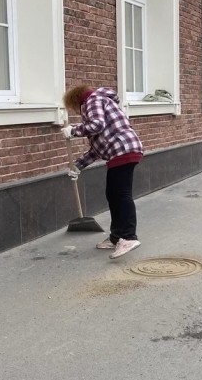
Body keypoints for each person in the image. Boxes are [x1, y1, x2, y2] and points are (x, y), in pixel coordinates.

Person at [61, 85, 144, 260]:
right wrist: (77, 166)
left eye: (74, 108)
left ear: (76, 101)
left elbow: (96, 125)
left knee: (121, 195)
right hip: (122, 150)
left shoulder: (92, 100)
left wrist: (74, 130)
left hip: (122, 149)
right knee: (113, 194)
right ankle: (116, 237)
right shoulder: (101, 101)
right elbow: (97, 150)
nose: (76, 112)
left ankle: (129, 237)